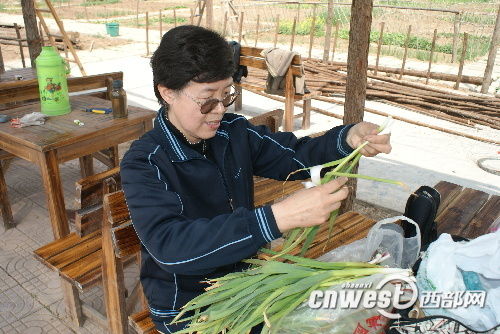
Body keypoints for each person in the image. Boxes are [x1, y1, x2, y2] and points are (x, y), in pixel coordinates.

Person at [120, 25, 392, 333]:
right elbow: (169, 248)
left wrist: (347, 140)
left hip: (246, 280)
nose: (220, 110)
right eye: (208, 99)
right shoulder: (145, 162)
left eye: (227, 95)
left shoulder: (233, 132)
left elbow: (295, 154)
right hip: (189, 306)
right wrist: (275, 219)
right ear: (167, 91)